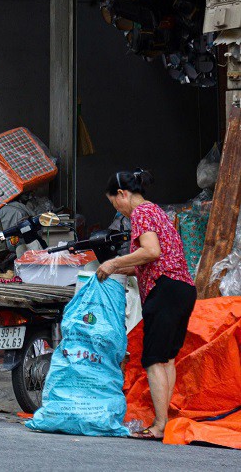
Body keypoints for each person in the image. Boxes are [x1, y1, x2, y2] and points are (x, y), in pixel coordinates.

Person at [96, 169, 196, 440]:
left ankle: (160, 424)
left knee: (153, 360)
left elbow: (151, 251)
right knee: (166, 359)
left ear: (122, 194)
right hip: (182, 289)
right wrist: (115, 270)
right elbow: (150, 261)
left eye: (114, 203)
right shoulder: (156, 211)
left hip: (164, 291)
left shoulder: (141, 213)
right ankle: (165, 420)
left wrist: (114, 262)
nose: (118, 210)